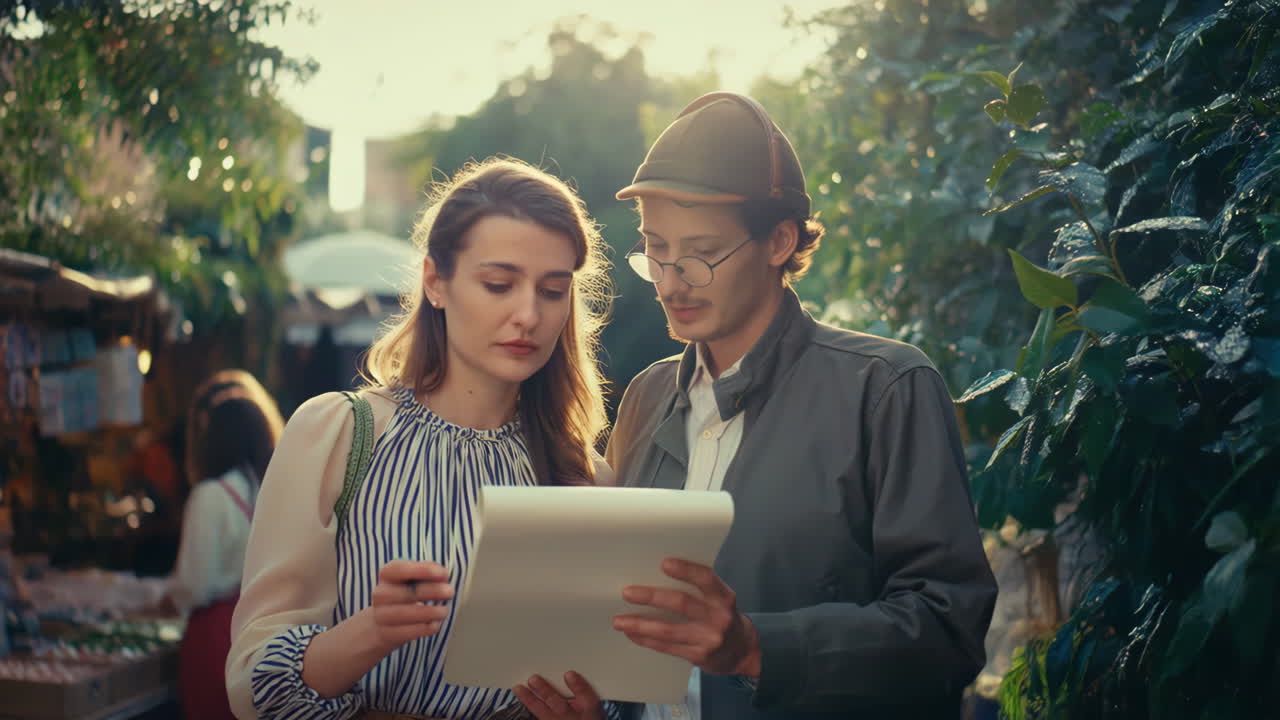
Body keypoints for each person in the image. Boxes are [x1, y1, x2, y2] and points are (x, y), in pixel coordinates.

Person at [537, 92, 997, 719]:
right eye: (656, 251)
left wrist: (755, 647)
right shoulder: (645, 398)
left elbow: (951, 629)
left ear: (780, 240)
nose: (671, 282)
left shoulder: (887, 388)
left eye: (699, 254)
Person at [225, 158, 620, 720]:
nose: (528, 314)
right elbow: (250, 686)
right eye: (498, 284)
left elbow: (612, 684)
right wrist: (372, 631)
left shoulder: (588, 478)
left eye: (553, 290)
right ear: (436, 282)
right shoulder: (336, 434)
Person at [167, 369, 284, 720]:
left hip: (215, 636)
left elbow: (193, 586)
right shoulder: (272, 491)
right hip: (264, 630)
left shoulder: (209, 496)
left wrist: (166, 597)